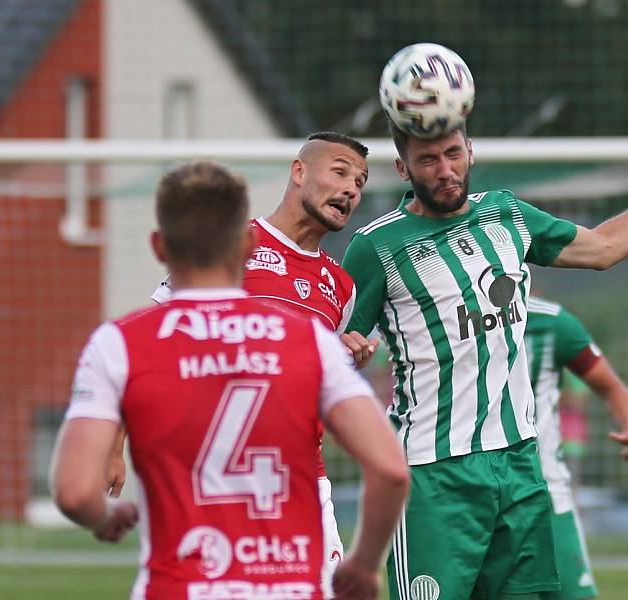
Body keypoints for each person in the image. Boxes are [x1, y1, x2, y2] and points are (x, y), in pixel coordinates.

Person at [341, 119, 628, 600]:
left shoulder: (507, 215)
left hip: (520, 463)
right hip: (432, 473)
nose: (445, 170)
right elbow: (328, 345)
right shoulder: (377, 246)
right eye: (427, 159)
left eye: (453, 153)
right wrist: (346, 352)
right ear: (402, 168)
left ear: (471, 151)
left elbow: (604, 247)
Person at [49, 160, 409, 600]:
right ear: (246, 245)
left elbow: (72, 491)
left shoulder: (119, 343)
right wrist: (365, 565)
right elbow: (391, 470)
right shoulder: (308, 340)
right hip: (290, 579)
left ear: (159, 247)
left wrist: (103, 516)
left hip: (181, 584)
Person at [148, 132, 378, 598]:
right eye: (339, 171)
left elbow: (311, 387)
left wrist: (346, 363)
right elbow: (152, 340)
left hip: (301, 480)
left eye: (360, 181)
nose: (352, 188)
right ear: (299, 172)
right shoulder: (229, 245)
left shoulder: (341, 286)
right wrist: (115, 444)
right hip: (216, 485)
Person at [525, 295, 628, 600]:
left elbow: (611, 387)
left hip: (544, 492)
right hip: (467, 494)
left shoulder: (552, 324)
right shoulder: (438, 315)